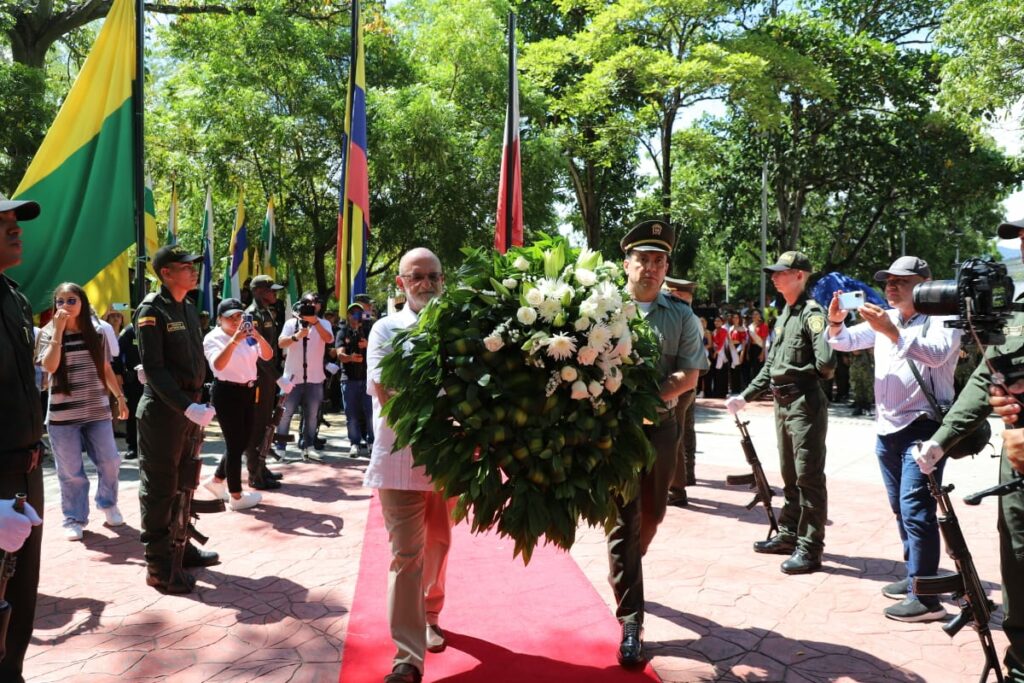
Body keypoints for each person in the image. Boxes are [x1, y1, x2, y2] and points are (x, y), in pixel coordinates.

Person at [918, 217, 1024, 682]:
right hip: (1017, 470)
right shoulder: (1017, 311)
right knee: (1018, 560)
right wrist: (941, 442)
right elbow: (988, 377)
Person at [827, 256, 960, 622]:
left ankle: (927, 599)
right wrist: (836, 322)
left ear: (926, 283)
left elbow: (935, 356)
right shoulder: (887, 319)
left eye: (901, 281)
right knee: (902, 509)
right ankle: (916, 575)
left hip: (924, 426)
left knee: (917, 511)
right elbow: (843, 342)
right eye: (888, 280)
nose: (891, 286)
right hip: (887, 429)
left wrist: (891, 331)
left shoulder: (942, 318)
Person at [607, 221, 708, 668]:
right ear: (626, 263)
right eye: (642, 259)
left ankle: (631, 561)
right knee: (624, 522)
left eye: (659, 261)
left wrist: (642, 396)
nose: (650, 268)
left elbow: (689, 376)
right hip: (616, 434)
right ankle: (632, 621)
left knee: (653, 513)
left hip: (662, 428)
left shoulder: (681, 315)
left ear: (667, 267)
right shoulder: (602, 309)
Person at [364, 248, 454, 683]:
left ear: (442, 279)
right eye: (416, 277)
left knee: (438, 542)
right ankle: (407, 658)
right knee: (406, 554)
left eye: (432, 276)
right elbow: (388, 391)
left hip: (449, 459)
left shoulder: (459, 328)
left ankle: (431, 613)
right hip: (400, 459)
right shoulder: (385, 329)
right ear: (400, 283)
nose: (426, 283)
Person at [726, 251, 836, 575]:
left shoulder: (811, 314)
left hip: (804, 404)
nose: (773, 277)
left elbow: (826, 364)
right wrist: (744, 396)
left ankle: (810, 547)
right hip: (782, 404)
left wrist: (810, 366)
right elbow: (772, 366)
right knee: (790, 474)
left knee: (808, 477)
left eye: (780, 272)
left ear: (800, 275)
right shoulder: (784, 315)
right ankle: (789, 534)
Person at [135, 245, 219, 594]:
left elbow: (191, 360)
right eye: (184, 266)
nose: (192, 270)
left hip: (187, 407)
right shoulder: (152, 310)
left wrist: (203, 395)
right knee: (160, 487)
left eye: (193, 265)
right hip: (165, 411)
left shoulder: (185, 307)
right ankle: (159, 565)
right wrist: (186, 405)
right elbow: (154, 368)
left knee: (185, 479)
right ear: (165, 272)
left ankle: (180, 547)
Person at [36, 283, 129, 540]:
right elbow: (50, 367)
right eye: (60, 301)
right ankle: (74, 517)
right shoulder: (47, 333)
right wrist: (58, 332)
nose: (65, 305)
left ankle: (108, 503)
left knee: (110, 461)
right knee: (71, 472)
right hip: (62, 417)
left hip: (97, 410)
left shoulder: (97, 332)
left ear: (83, 303)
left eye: (71, 300)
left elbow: (106, 368)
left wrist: (120, 397)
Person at [0, 195, 45, 682]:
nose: (16, 231)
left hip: (25, 470)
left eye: (16, 223)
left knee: (20, 594)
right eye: (3, 224)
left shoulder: (15, 296)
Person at [201, 298, 273, 511]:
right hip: (227, 392)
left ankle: (216, 481)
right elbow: (218, 365)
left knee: (243, 441)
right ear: (219, 319)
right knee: (234, 444)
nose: (235, 320)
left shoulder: (248, 336)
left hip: (249, 390)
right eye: (230, 317)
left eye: (239, 316)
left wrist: (257, 336)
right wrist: (234, 340)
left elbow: (268, 356)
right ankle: (236, 495)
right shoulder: (213, 337)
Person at [277, 292, 334, 461]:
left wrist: (314, 323)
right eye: (308, 302)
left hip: (315, 378)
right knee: (285, 414)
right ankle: (280, 448)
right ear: (301, 304)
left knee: (312, 415)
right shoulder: (291, 323)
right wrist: (296, 336)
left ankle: (308, 447)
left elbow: (329, 339)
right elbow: (281, 343)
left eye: (316, 302)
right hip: (292, 378)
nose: (312, 305)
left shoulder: (323, 323)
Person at [245, 275, 285, 490]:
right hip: (259, 379)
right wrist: (278, 376)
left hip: (268, 379)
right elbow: (256, 354)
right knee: (256, 426)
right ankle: (254, 473)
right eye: (271, 290)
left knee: (265, 424)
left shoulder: (266, 312)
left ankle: (262, 466)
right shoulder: (251, 315)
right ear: (260, 291)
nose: (275, 294)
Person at [664, 276, 700, 507]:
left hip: (680, 383)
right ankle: (687, 476)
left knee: (673, 436)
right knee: (685, 430)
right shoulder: (692, 317)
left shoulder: (682, 318)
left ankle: (676, 490)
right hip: (688, 384)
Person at [336, 301, 374, 457]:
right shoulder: (342, 331)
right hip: (348, 379)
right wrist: (350, 358)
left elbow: (380, 349)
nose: (355, 316)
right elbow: (339, 354)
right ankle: (355, 443)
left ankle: (372, 442)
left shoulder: (369, 329)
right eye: (352, 313)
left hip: (367, 378)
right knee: (351, 415)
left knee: (371, 413)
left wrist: (368, 345)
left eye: (358, 312)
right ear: (348, 315)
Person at [116, 318, 143, 460]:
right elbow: (117, 353)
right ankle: (133, 446)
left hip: (154, 378)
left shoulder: (154, 327)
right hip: (133, 381)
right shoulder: (128, 331)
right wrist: (118, 373)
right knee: (133, 413)